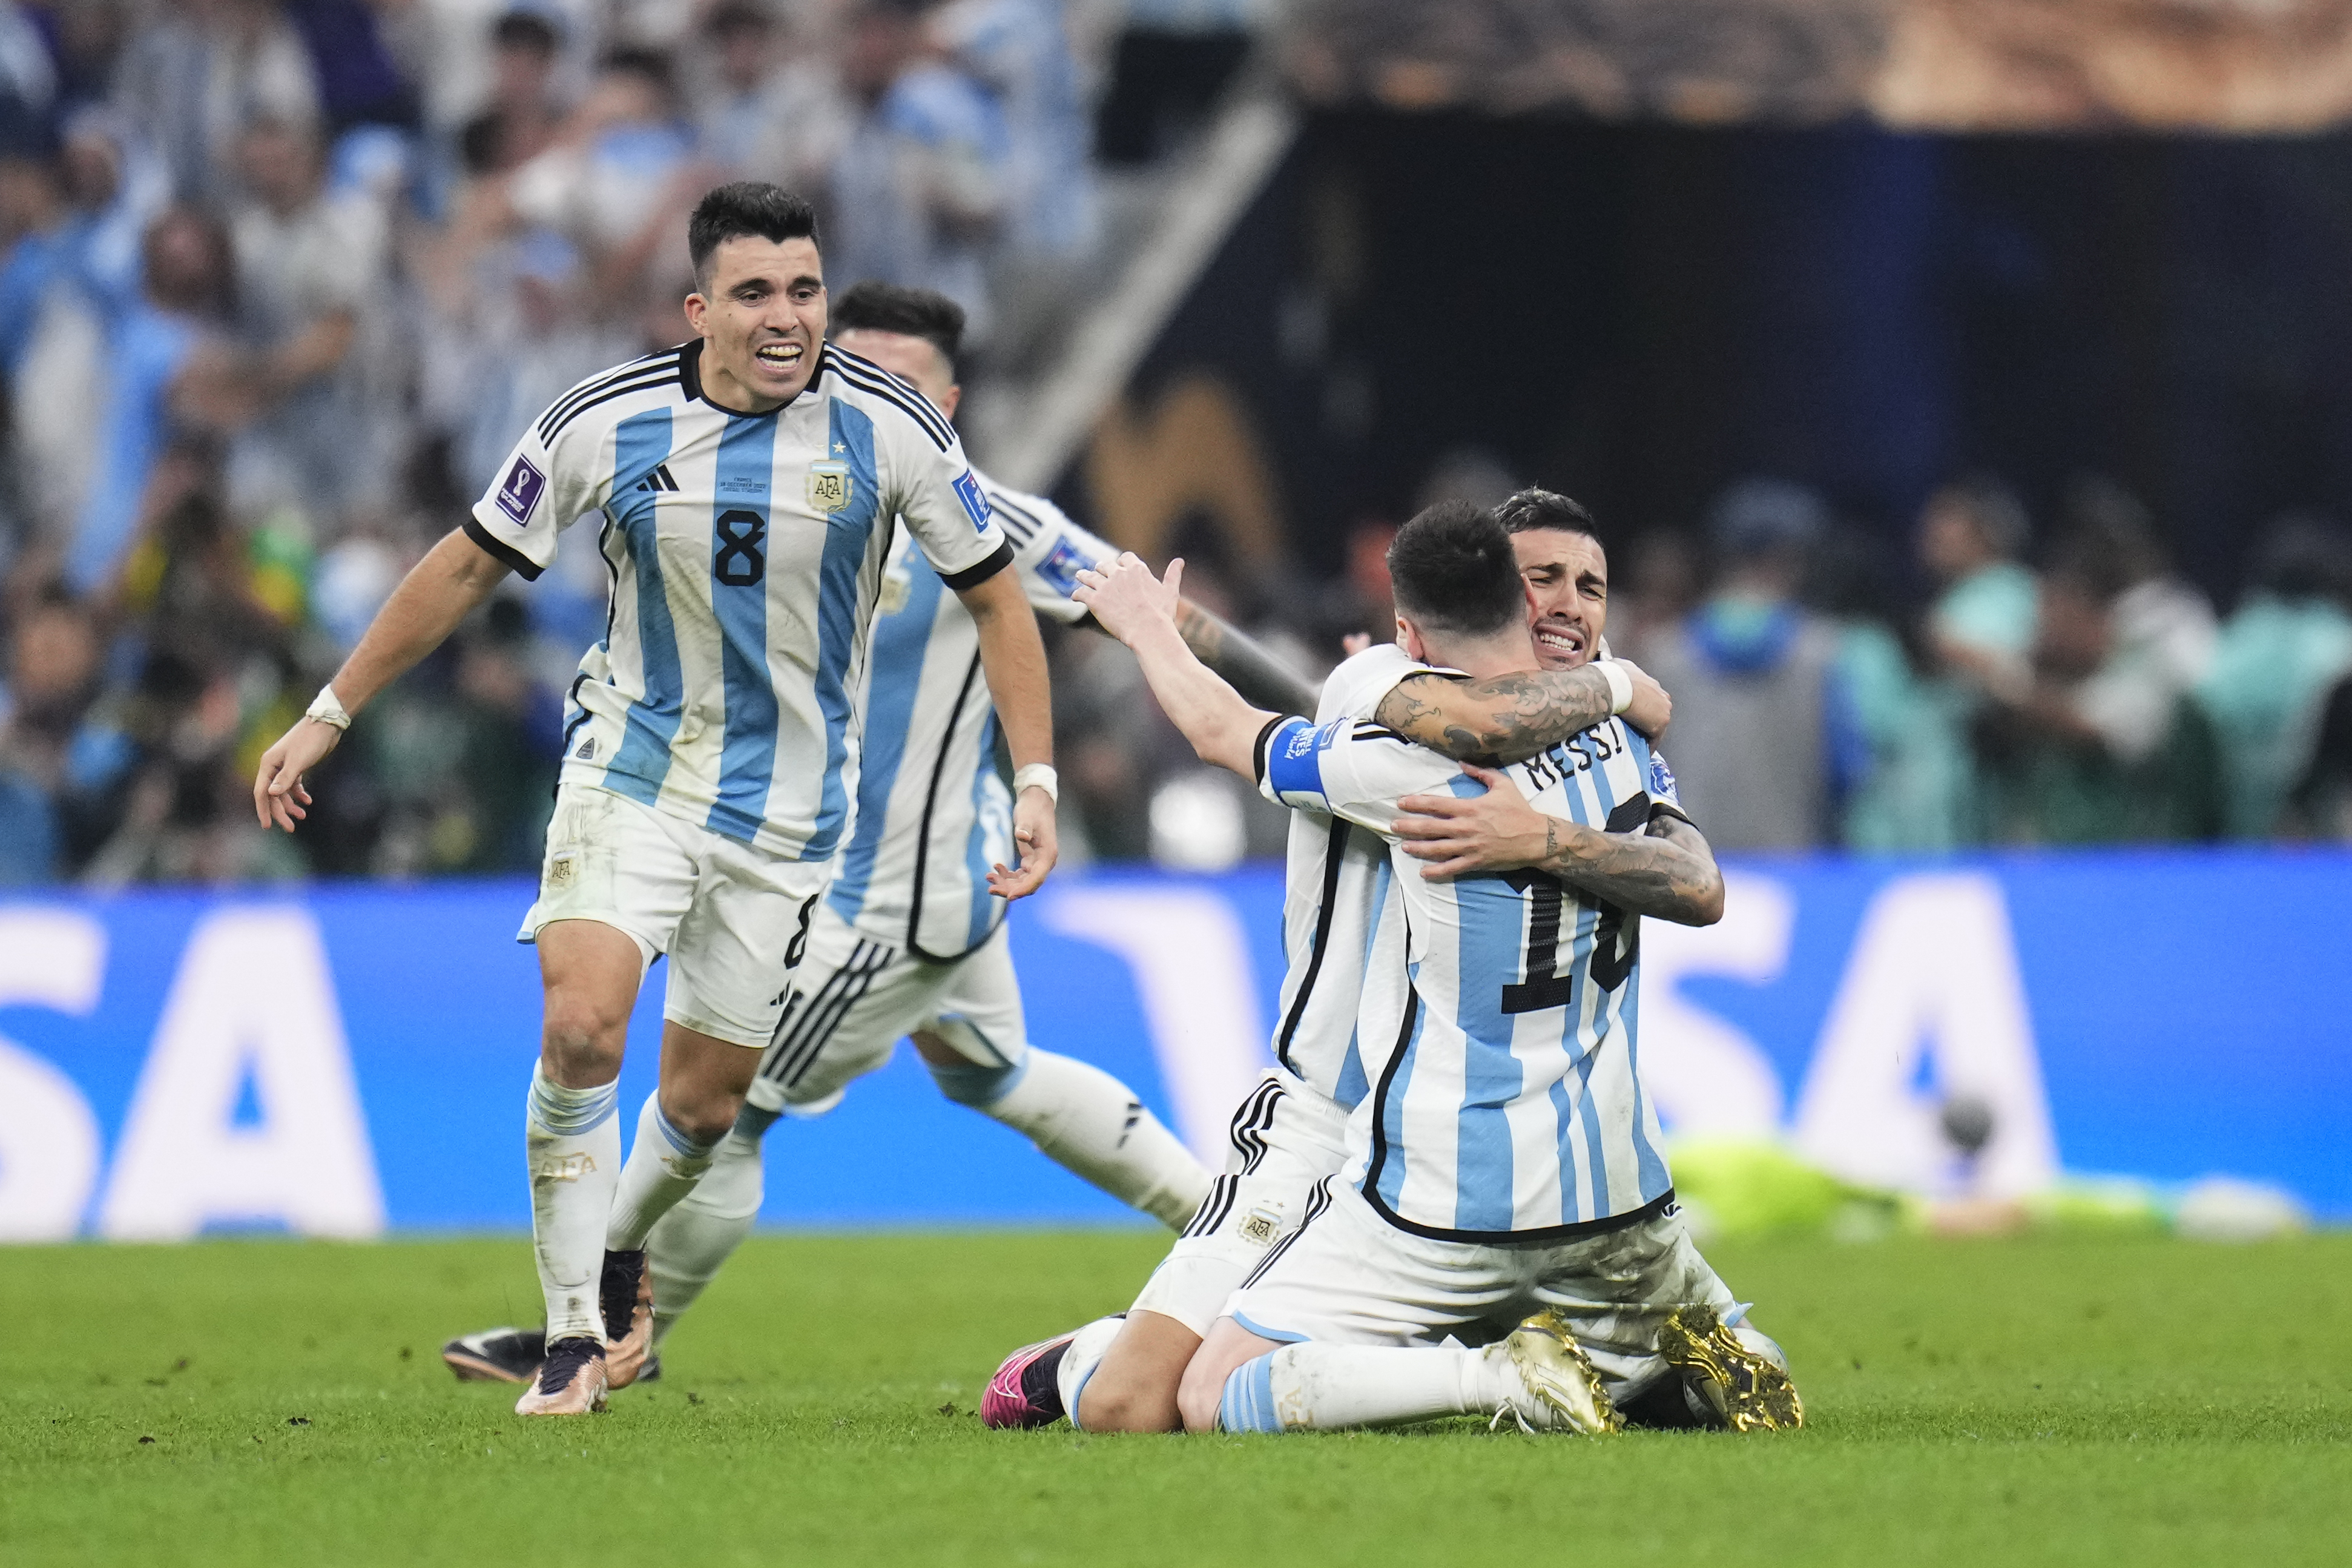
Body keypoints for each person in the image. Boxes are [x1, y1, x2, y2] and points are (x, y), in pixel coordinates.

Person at [250, 183, 1061, 1417]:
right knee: (583, 1027)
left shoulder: (889, 427)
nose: (785, 317)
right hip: (630, 767)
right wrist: (330, 708)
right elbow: (468, 559)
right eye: (754, 293)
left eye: (803, 289)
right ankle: (574, 1332)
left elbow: (1000, 598)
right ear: (698, 310)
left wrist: (1037, 779)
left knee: (702, 1103)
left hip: (789, 815)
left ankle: (620, 1251)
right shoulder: (605, 420)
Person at [443, 280, 1308, 1385]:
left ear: (949, 398)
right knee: (996, 1073)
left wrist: (1327, 706)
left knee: (728, 1109)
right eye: (851, 368)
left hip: (881, 910)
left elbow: (1165, 619)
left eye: (903, 379)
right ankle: (1245, 1237)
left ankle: (609, 1338)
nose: (866, 393)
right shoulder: (778, 488)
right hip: (918, 880)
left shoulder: (984, 516)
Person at [1057, 501, 1798, 1437]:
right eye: (1546, 581)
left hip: (1426, 1173)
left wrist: (1147, 633)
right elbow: (1662, 853)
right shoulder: (1615, 738)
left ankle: (1499, 1378)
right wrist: (1615, 692)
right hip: (1611, 1185)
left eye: (1591, 586)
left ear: (1411, 624)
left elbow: (1223, 732)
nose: (1569, 605)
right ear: (1501, 592)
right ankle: (1689, 1356)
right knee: (1662, 1329)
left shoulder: (1407, 750)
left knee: (1204, 1394)